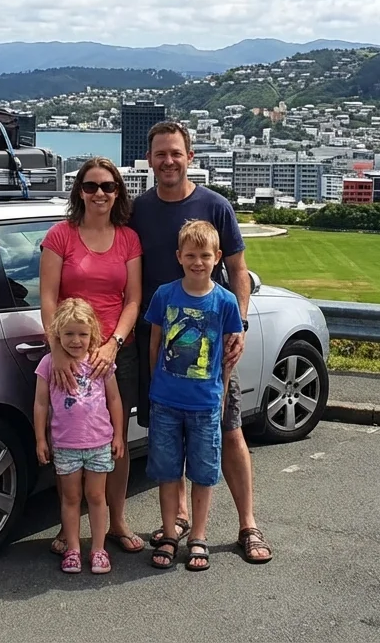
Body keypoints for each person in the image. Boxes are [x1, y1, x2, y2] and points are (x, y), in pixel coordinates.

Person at [129, 120, 274, 564]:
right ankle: (177, 521)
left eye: (176, 153)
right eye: (160, 154)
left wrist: (240, 325)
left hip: (213, 350)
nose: (168, 161)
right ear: (149, 159)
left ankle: (247, 523)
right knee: (168, 434)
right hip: (157, 342)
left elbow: (238, 271)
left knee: (228, 430)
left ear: (190, 157)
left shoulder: (216, 205)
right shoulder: (138, 210)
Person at [38, 157, 146, 555]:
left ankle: (115, 522)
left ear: (118, 191)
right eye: (90, 186)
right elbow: (48, 297)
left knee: (113, 442)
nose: (99, 193)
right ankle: (69, 530)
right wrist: (57, 350)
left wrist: (113, 342)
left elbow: (133, 299)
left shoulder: (128, 239)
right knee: (68, 438)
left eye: (107, 186)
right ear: (78, 191)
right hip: (68, 354)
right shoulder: (60, 236)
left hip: (116, 355)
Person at [144, 220, 243, 571]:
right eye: (190, 255)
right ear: (179, 257)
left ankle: (198, 535)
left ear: (217, 257)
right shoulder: (165, 295)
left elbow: (228, 356)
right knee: (168, 471)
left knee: (203, 473)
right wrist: (155, 386)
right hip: (166, 402)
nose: (197, 262)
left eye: (204, 255)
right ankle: (170, 533)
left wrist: (219, 392)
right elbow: (156, 342)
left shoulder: (225, 301)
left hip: (204, 402)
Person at [33, 298, 127, 574]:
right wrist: (41, 438)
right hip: (65, 445)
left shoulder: (100, 363)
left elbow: (115, 400)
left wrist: (119, 435)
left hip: (99, 442)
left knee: (97, 497)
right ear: (57, 335)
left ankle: (98, 549)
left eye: (83, 334)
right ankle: (73, 548)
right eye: (69, 334)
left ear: (92, 335)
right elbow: (40, 403)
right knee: (71, 499)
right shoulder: (49, 364)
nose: (76, 340)